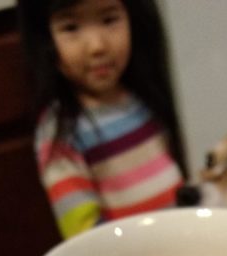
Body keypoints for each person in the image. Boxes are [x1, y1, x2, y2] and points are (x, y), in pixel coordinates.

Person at [17, 0, 187, 238]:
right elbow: (84, 235)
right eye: (71, 28)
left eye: (109, 20)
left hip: (181, 249)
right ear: (45, 39)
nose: (97, 46)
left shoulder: (144, 98)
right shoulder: (60, 130)